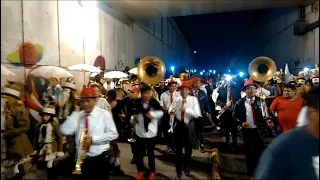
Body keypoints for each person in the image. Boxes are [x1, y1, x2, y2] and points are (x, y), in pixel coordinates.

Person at [254, 87, 319, 180]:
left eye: (288, 91)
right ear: (312, 113)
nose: (286, 92)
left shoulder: (301, 101)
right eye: (285, 90)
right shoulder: (284, 146)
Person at [60, 87, 118, 180]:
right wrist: (75, 112)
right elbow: (65, 130)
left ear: (95, 101)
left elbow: (113, 134)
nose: (85, 104)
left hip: (99, 159)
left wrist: (93, 139)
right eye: (82, 101)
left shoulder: (104, 114)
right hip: (80, 160)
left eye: (88, 101)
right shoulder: (78, 116)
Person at [232, 78, 274, 178]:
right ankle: (250, 174)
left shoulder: (261, 101)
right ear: (245, 91)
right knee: (249, 153)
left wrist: (269, 121)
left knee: (259, 153)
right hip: (247, 131)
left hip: (259, 131)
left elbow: (267, 114)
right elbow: (234, 115)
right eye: (249, 88)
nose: (252, 90)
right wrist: (241, 122)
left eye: (253, 88)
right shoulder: (240, 103)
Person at [168, 81, 201, 180]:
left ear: (189, 91)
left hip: (189, 125)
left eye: (186, 89)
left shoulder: (193, 99)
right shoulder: (177, 99)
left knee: (188, 148)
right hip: (179, 125)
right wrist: (171, 111)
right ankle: (178, 169)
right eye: (182, 89)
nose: (183, 91)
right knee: (178, 148)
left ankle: (186, 166)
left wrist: (186, 109)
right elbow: (170, 109)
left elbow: (197, 114)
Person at [134, 85, 163, 180]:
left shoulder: (154, 103)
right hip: (140, 132)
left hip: (151, 132)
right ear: (141, 94)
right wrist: (133, 119)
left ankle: (152, 171)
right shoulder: (137, 102)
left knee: (151, 153)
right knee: (138, 153)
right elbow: (134, 112)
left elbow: (161, 113)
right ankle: (140, 170)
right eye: (145, 93)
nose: (147, 95)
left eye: (149, 93)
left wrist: (152, 114)